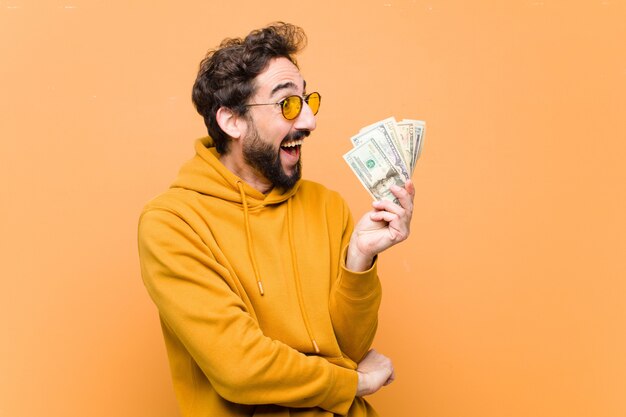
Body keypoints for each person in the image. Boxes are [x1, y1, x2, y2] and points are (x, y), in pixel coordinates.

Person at [137, 22, 415, 417]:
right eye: (287, 104)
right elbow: (241, 369)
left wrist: (360, 259)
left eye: (308, 101)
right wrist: (356, 382)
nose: (308, 122)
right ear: (231, 121)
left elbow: (348, 349)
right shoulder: (171, 224)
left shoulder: (327, 205)